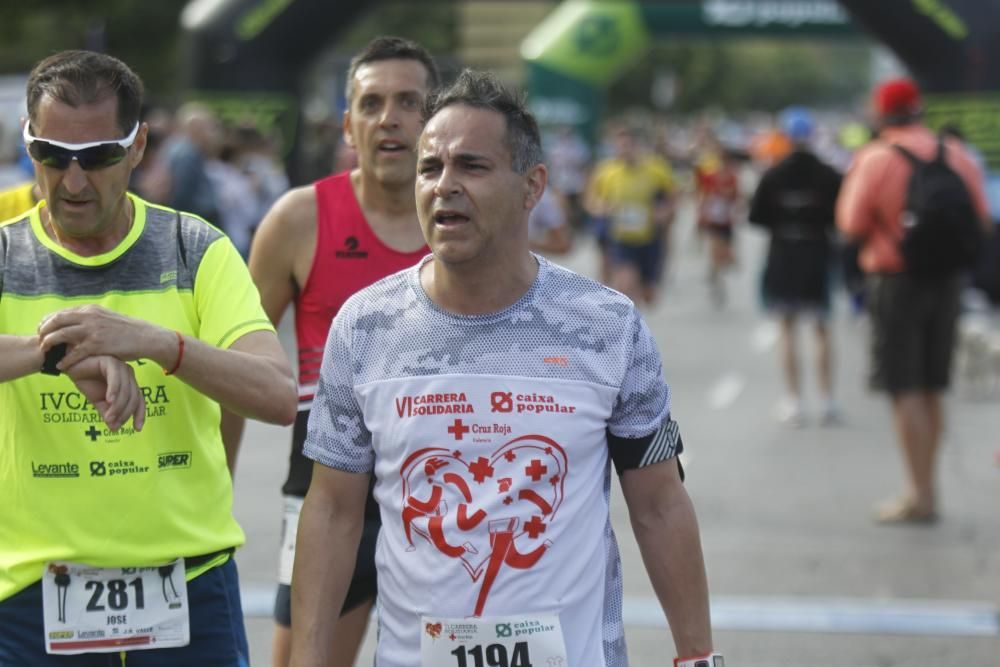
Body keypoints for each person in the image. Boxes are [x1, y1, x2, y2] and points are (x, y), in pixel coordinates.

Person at [291, 69, 720, 667]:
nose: (444, 186)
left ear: (532, 186)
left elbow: (660, 504)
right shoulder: (366, 326)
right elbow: (333, 511)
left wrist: (697, 657)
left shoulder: (604, 326)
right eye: (430, 167)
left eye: (472, 166)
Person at [0, 50, 297, 665]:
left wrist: (160, 344)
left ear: (138, 148)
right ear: (29, 146)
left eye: (100, 157)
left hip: (188, 585)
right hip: (29, 598)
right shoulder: (5, 253)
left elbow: (275, 393)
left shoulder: (194, 248)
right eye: (53, 155)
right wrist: (52, 353)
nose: (74, 181)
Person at [242, 36, 439, 667]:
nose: (391, 118)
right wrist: (209, 485)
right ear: (348, 123)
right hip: (324, 485)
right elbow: (236, 364)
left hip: (448, 486)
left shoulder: (470, 220)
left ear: (436, 119)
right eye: (372, 102)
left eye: (410, 102)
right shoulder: (299, 219)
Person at [836, 77, 991, 523]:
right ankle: (931, 484)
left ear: (881, 113)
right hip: (947, 281)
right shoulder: (956, 154)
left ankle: (919, 494)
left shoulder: (876, 158)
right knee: (933, 385)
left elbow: (849, 225)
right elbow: (980, 219)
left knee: (903, 387)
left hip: (895, 279)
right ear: (919, 109)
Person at [749, 107, 843, 426]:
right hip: (817, 252)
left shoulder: (773, 174)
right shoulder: (828, 173)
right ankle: (828, 399)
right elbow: (840, 216)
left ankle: (794, 400)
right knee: (821, 327)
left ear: (786, 136)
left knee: (787, 328)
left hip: (783, 255)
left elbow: (756, 217)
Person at [586, 123, 676, 306]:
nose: (624, 150)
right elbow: (590, 200)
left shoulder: (656, 169)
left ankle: (638, 312)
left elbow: (673, 197)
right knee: (625, 287)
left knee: (649, 295)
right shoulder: (606, 172)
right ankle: (631, 328)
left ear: (637, 146)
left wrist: (665, 212)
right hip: (621, 238)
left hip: (649, 238)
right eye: (620, 145)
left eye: (629, 145)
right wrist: (600, 208)